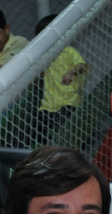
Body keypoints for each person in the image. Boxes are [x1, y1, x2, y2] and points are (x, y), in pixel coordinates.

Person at [32, 14, 88, 146]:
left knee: (63, 124)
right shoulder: (44, 57)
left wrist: (71, 73)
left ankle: (65, 145)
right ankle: (41, 147)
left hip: (68, 100)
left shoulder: (68, 51)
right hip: (49, 103)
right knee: (36, 125)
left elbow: (81, 64)